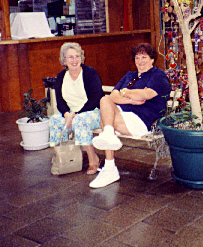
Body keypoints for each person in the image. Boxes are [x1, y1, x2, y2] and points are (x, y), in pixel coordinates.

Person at [90, 43, 171, 188]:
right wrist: (132, 99)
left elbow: (147, 94)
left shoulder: (158, 75)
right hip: (123, 113)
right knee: (104, 100)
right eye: (137, 58)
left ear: (152, 59)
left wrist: (125, 92)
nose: (140, 61)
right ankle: (109, 140)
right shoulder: (130, 75)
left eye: (144, 57)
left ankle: (110, 168)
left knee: (107, 120)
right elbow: (113, 95)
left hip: (142, 119)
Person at [49, 42, 103, 175]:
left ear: (81, 57)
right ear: (64, 60)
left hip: (92, 112)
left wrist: (77, 114)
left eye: (77, 56)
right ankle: (63, 156)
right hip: (71, 114)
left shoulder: (90, 73)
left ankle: (93, 158)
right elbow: (60, 101)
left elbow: (95, 98)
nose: (74, 60)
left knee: (79, 121)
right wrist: (67, 114)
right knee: (55, 119)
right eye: (70, 57)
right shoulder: (61, 77)